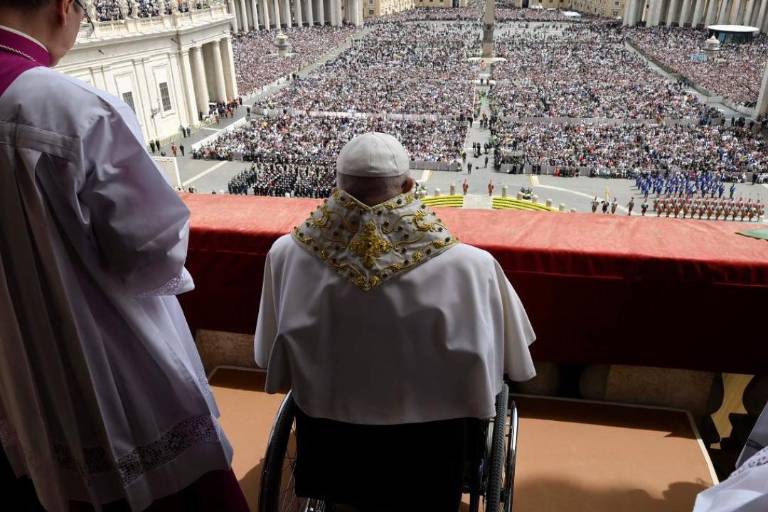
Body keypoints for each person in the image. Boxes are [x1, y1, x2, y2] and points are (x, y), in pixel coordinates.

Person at [0, 2, 248, 511]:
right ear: (63, 7)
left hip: (13, 377)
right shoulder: (67, 106)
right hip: (106, 364)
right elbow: (152, 252)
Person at [254, 132, 536, 510]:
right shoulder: (473, 266)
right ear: (407, 186)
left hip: (331, 440)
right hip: (432, 446)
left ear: (337, 184)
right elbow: (512, 360)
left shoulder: (285, 253)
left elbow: (265, 354)